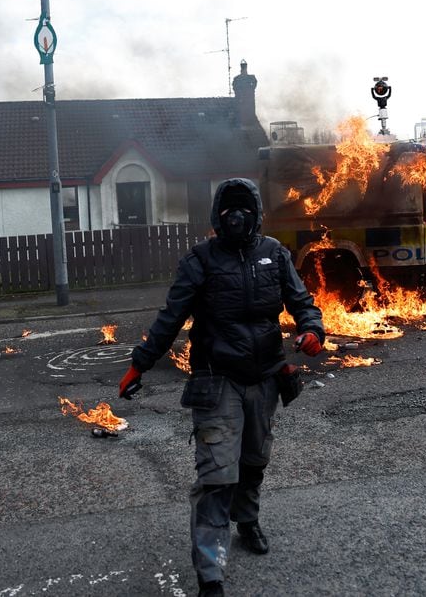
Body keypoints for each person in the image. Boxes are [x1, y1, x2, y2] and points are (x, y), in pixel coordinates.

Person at [119, 178, 325, 597]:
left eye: (244, 209)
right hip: (217, 379)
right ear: (218, 216)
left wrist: (312, 328)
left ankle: (246, 519)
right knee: (216, 475)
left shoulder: (275, 254)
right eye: (229, 210)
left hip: (265, 376)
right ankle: (210, 575)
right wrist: (139, 364)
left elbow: (301, 302)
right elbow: (170, 317)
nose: (237, 217)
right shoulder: (200, 260)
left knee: (253, 461)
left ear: (255, 213)